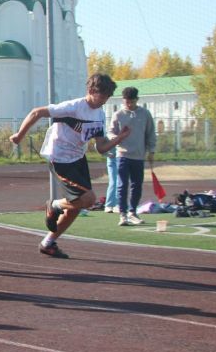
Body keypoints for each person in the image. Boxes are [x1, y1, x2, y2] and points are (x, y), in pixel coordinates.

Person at [9, 73, 130, 259]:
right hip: (60, 158)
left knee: (76, 206)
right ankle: (54, 205)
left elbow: (101, 147)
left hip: (78, 159)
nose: (105, 101)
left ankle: (47, 243)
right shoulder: (73, 107)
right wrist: (19, 135)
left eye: (107, 97)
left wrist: (119, 139)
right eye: (102, 96)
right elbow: (36, 112)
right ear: (90, 91)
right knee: (89, 199)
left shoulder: (99, 114)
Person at [110, 86, 157, 226]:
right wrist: (117, 138)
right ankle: (123, 215)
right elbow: (110, 132)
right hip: (122, 155)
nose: (129, 104)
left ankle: (132, 213)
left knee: (137, 185)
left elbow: (151, 133)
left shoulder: (145, 114)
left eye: (131, 101)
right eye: (126, 102)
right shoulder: (118, 115)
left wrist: (151, 151)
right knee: (122, 185)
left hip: (138, 156)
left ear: (137, 100)